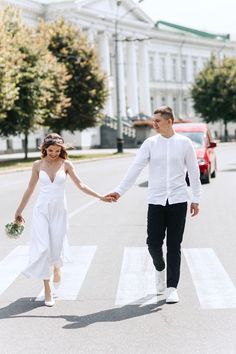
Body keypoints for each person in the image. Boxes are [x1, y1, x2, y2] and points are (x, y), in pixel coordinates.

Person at [106, 106, 201, 304]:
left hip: (178, 200)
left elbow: (193, 172)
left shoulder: (185, 144)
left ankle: (172, 287)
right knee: (153, 243)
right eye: (153, 120)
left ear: (169, 121)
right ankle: (160, 269)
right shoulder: (150, 143)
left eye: (157, 120)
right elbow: (135, 168)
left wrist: (196, 198)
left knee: (174, 245)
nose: (153, 123)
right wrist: (119, 191)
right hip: (156, 201)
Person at [15, 133, 113, 307]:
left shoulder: (66, 164)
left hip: (60, 212)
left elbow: (80, 184)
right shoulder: (37, 165)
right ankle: (47, 289)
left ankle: (57, 266)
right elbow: (30, 189)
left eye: (57, 150)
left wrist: (100, 196)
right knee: (43, 247)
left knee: (56, 246)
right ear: (44, 148)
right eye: (51, 150)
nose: (53, 153)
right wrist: (19, 211)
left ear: (62, 150)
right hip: (41, 211)